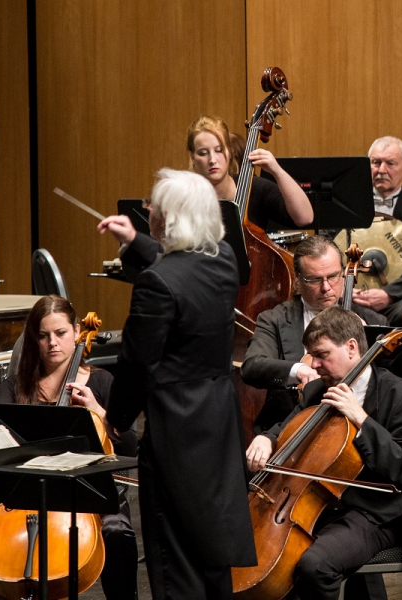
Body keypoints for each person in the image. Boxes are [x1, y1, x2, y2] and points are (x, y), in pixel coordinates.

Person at [98, 169, 256, 599]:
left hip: (175, 433)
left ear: (168, 219)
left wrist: (118, 418)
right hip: (218, 426)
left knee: (174, 558)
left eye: (152, 207)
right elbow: (181, 266)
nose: (147, 210)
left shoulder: (157, 283)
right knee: (209, 551)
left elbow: (137, 363)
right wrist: (135, 240)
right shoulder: (224, 260)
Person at [0, 295, 139, 600]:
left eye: (60, 333)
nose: (52, 343)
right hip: (23, 494)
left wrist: (98, 410)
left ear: (76, 331)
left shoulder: (102, 382)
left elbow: (131, 447)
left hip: (87, 495)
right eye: (43, 336)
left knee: (116, 531)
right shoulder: (17, 385)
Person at [245, 307, 402, 600]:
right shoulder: (317, 391)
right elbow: (289, 427)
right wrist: (267, 439)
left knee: (315, 565)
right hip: (323, 505)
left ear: (352, 347)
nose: (314, 365)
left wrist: (361, 419)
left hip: (376, 513)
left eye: (321, 354)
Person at [240, 235, 387, 433]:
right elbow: (252, 367)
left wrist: (364, 336)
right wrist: (299, 370)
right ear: (298, 281)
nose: (326, 287)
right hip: (288, 429)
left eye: (333, 276)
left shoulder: (373, 322)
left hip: (355, 433)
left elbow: (388, 385)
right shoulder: (275, 319)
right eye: (315, 280)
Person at [349, 136, 402, 326]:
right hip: (355, 293)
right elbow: (331, 247)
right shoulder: (348, 204)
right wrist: (345, 287)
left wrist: (389, 294)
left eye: (390, 163)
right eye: (376, 163)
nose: (381, 170)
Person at [186, 114, 314, 229]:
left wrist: (277, 171)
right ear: (192, 157)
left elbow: (305, 218)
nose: (212, 160)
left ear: (230, 151)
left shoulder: (255, 188)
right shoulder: (183, 196)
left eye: (219, 150)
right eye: (203, 153)